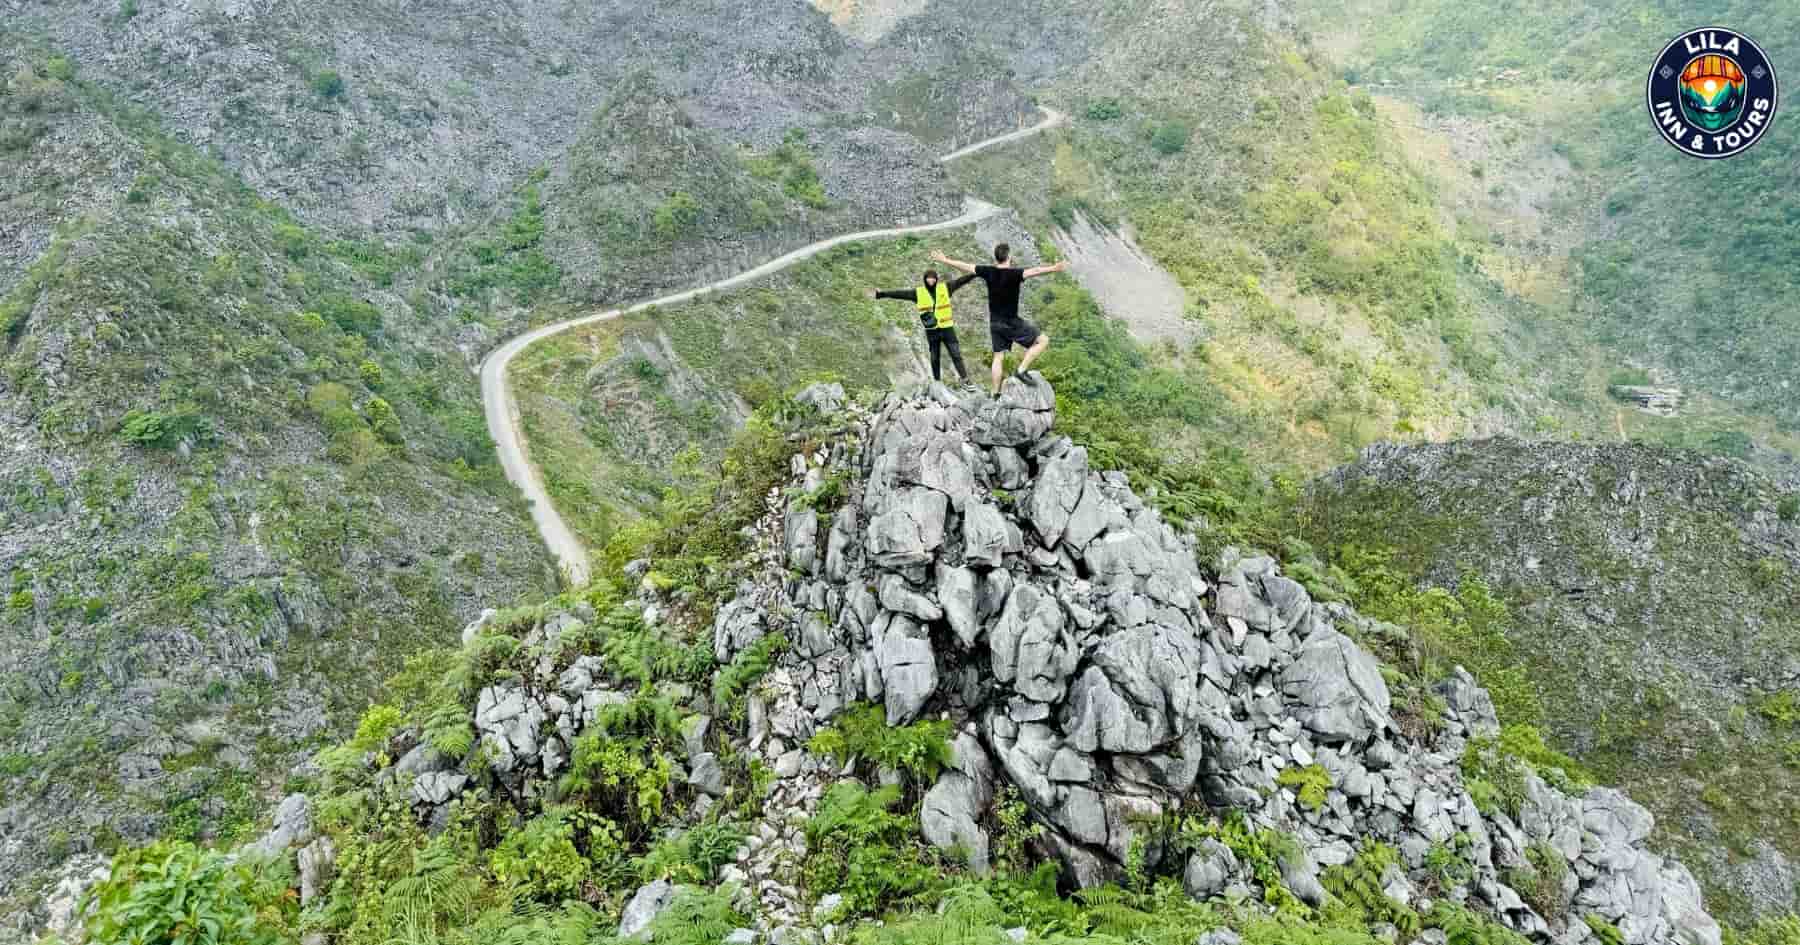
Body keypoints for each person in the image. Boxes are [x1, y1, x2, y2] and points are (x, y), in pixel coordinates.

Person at [930, 243, 1067, 396]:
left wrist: (945, 259)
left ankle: (995, 393)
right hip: (1011, 322)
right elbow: (1036, 270)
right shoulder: (1015, 273)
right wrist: (1054, 268)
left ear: (996, 257)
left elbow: (966, 266)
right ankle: (1021, 370)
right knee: (1043, 341)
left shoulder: (988, 272)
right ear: (1009, 257)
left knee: (998, 357)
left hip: (995, 323)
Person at [870, 269, 976, 384]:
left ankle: (965, 379)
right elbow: (900, 293)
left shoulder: (945, 287)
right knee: (935, 357)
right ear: (925, 279)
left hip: (947, 328)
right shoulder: (918, 293)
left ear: (936, 279)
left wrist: (975, 273)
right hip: (932, 331)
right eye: (928, 278)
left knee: (956, 354)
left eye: (933, 277)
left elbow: (960, 281)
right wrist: (882, 294)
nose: (931, 280)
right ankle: (937, 382)